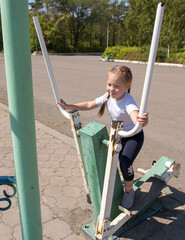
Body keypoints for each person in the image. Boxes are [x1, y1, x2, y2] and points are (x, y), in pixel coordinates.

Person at [57, 65, 149, 209]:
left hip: (133, 137)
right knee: (110, 161)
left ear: (127, 86)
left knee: (124, 162)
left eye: (116, 86)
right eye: (109, 85)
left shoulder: (128, 101)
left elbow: (135, 115)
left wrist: (141, 121)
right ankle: (112, 186)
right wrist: (69, 106)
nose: (111, 89)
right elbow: (89, 104)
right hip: (118, 135)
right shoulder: (108, 96)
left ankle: (129, 191)